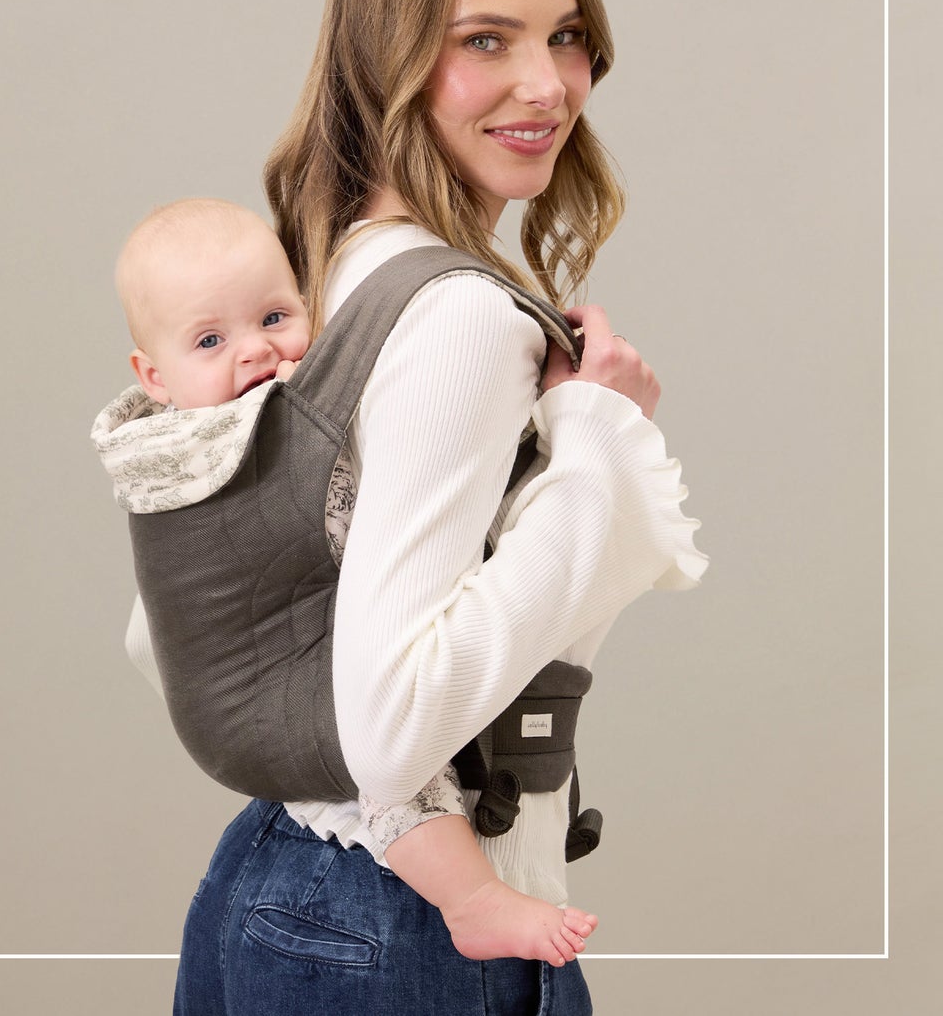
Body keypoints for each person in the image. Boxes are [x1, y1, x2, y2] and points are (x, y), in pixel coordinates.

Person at [125, 0, 709, 1012]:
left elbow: (174, 626)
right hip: (402, 933)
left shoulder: (310, 275)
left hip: (275, 883)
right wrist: (598, 434)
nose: (545, 85)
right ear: (381, 53)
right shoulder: (459, 319)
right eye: (483, 40)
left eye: (567, 36)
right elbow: (391, 735)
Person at [99, 195, 598, 967]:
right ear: (152, 375)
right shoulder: (238, 442)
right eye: (210, 339)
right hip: (328, 854)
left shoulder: (158, 443)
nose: (255, 353)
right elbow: (368, 542)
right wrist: (595, 434)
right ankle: (470, 899)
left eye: (273, 318)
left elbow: (146, 636)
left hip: (248, 808)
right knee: (393, 754)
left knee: (373, 747)